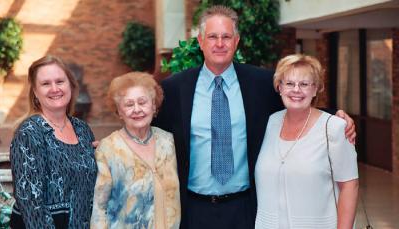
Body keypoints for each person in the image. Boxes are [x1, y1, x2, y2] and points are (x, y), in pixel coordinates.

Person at [154, 5, 356, 229]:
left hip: (246, 209)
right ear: (201, 42)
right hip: (193, 210)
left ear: (236, 41)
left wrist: (336, 116)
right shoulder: (174, 88)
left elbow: (295, 102)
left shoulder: (261, 82)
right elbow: (152, 132)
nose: (219, 43)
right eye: (212, 37)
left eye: (226, 37)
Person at [255, 54, 359, 228]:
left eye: (304, 84)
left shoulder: (334, 128)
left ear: (316, 88)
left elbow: (350, 186)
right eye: (289, 83)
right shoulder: (270, 122)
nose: (296, 90)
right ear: (279, 87)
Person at [10, 55, 97, 228]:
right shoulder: (30, 133)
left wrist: (108, 152)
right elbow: (31, 203)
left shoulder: (83, 130)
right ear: (35, 91)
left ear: (70, 86)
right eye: (45, 84)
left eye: (60, 81)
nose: (54, 88)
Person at [90, 72, 180, 229]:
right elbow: (99, 208)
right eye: (129, 104)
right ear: (119, 112)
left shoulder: (169, 142)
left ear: (153, 106)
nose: (137, 109)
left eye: (142, 102)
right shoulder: (108, 149)